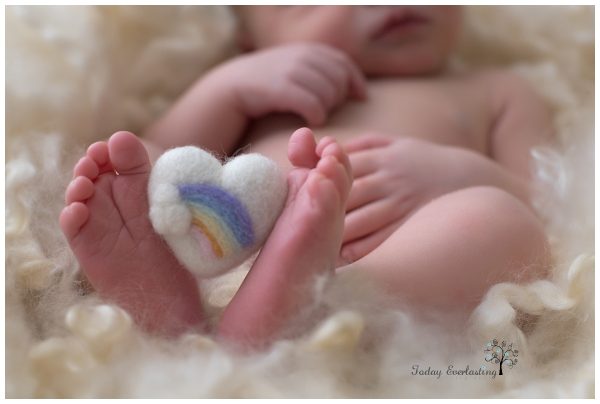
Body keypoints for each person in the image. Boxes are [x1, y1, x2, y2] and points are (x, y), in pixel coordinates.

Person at [59, 6, 553, 348]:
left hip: (398, 266)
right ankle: (172, 298)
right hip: (232, 250)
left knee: (506, 221)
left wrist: (457, 172)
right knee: (138, 160)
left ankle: (314, 305)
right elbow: (172, 154)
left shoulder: (495, 90)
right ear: (251, 38)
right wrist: (227, 88)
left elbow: (554, 198)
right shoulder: (263, 90)